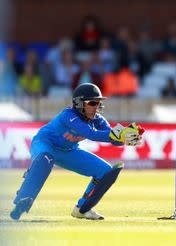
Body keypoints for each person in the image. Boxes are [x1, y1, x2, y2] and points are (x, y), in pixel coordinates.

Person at [10, 83, 145, 221]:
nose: (96, 107)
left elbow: (112, 137)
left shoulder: (97, 119)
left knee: (105, 171)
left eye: (98, 103)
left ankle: (82, 209)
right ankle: (24, 198)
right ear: (79, 103)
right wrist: (117, 135)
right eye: (92, 103)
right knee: (46, 158)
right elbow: (91, 134)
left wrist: (125, 137)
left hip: (68, 151)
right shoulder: (68, 115)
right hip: (44, 144)